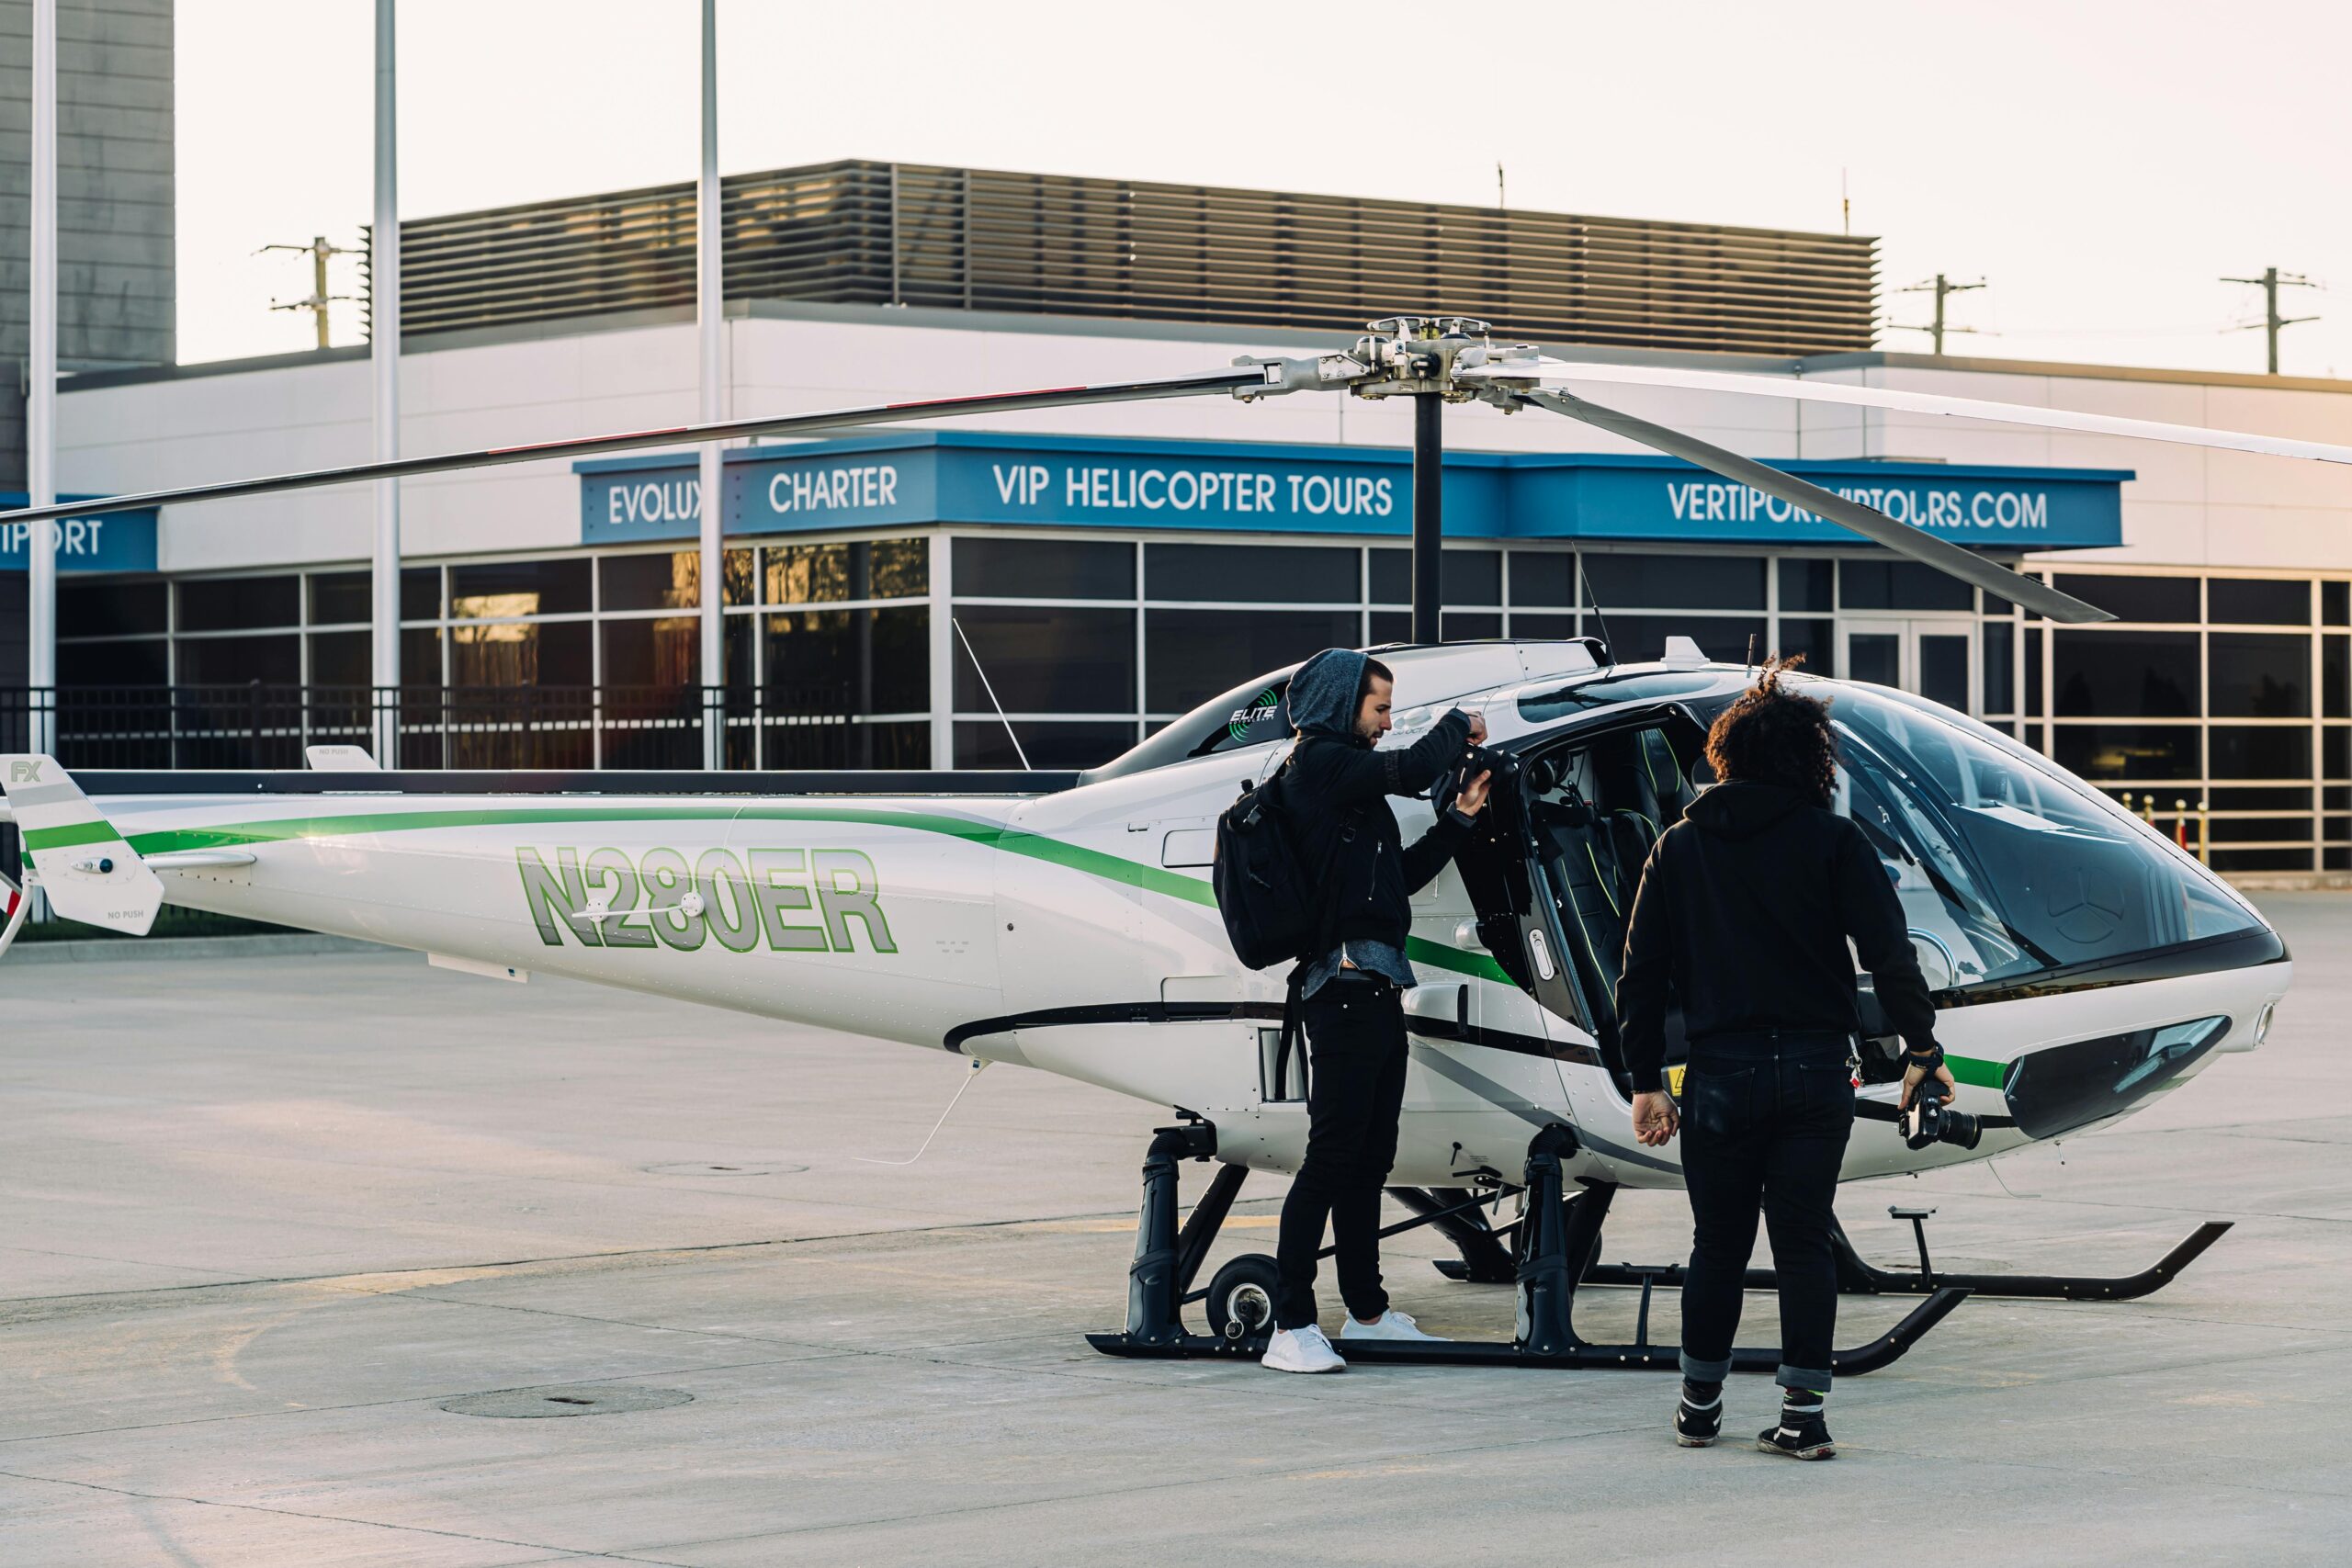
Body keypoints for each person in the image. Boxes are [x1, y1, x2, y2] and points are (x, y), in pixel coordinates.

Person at [1615, 657, 1954, 1458]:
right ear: (1811, 759)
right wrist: (1922, 1047)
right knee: (1801, 1241)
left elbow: (1642, 975)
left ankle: (1700, 1406)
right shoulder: (1835, 842)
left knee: (1718, 1244)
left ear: (1724, 755)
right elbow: (1890, 955)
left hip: (1719, 1075)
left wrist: (1643, 1080)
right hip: (1812, 1071)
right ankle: (1804, 1415)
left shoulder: (1678, 847)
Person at [1260, 649, 1492, 1374]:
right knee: (1332, 1157)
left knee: (1370, 1161)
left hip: (1379, 987)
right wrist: (1461, 722)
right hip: (1340, 992)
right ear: (1339, 704)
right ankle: (1289, 1324)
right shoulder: (1319, 763)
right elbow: (1411, 767)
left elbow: (1401, 880)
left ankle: (1367, 1311)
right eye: (1380, 707)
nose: (1388, 722)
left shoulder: (1353, 794)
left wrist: (1459, 818)